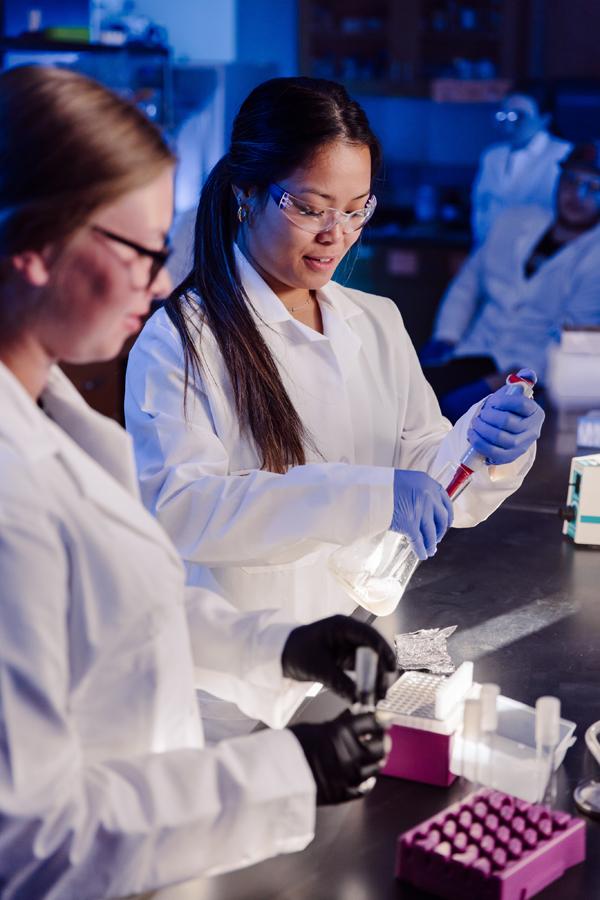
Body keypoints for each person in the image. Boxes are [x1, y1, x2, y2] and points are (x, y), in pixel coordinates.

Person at [0, 65, 401, 899]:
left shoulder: (49, 411)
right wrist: (281, 774)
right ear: (33, 247)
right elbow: (31, 839)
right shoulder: (11, 494)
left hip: (158, 821)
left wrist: (274, 644)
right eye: (142, 249)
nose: (158, 281)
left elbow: (123, 603)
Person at [125, 76, 544, 740]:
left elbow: (428, 480)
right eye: (311, 206)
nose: (336, 234)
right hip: (232, 691)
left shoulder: (376, 320)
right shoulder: (182, 338)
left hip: (355, 649)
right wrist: (371, 495)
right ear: (246, 193)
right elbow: (184, 513)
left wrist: (487, 446)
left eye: (356, 208)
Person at [420, 141, 600, 421]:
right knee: (400, 406)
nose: (577, 195)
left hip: (529, 379)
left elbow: (572, 340)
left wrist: (510, 380)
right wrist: (447, 336)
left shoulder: (595, 256)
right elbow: (468, 285)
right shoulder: (514, 220)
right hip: (470, 352)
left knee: (450, 423)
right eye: (572, 180)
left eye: (594, 187)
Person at [471, 89, 571, 244]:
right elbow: (481, 206)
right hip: (488, 248)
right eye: (504, 115)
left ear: (544, 119)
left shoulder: (563, 154)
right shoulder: (493, 156)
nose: (509, 124)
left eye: (519, 116)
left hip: (535, 251)